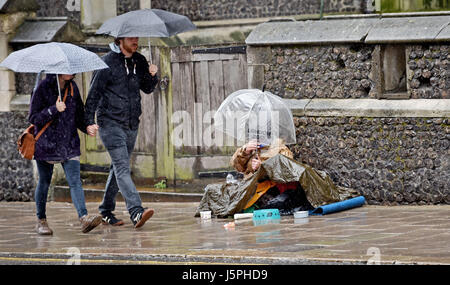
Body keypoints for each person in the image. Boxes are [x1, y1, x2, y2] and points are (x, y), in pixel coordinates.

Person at [84, 37, 159, 228]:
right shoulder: (106, 62)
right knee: (123, 168)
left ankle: (106, 210)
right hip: (110, 123)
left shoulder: (139, 60)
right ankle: (136, 211)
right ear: (120, 40)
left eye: (136, 37)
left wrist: (152, 75)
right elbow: (93, 94)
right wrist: (88, 122)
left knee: (118, 168)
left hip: (132, 123)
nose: (135, 41)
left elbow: (148, 88)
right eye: (131, 38)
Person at [29, 73, 102, 235]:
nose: (69, 70)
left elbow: (79, 116)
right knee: (45, 181)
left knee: (75, 181)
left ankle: (84, 218)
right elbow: (33, 118)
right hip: (47, 144)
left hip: (69, 143)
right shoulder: (42, 87)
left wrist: (87, 127)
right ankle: (41, 220)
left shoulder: (72, 88)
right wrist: (54, 109)